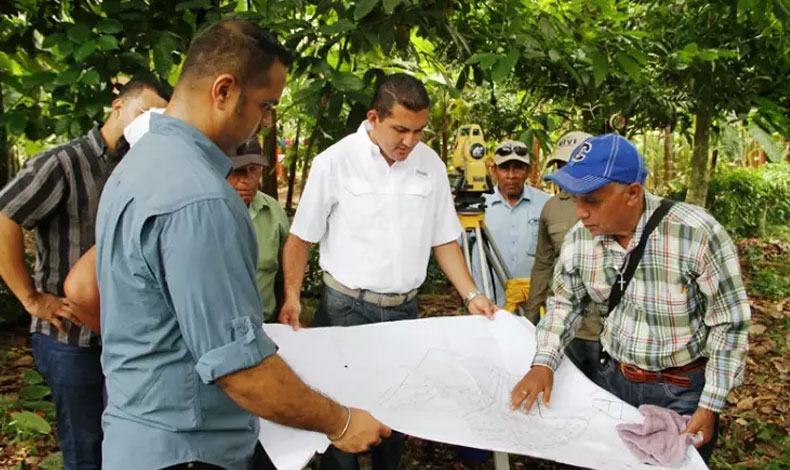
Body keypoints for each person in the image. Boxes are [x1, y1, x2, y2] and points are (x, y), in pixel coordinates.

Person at [94, 19, 389, 470]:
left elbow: (82, 288)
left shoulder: (137, 168)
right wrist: (342, 422)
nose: (265, 121)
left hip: (136, 438)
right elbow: (241, 370)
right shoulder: (202, 198)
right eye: (265, 105)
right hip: (191, 452)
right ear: (223, 90)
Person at [279, 72, 497, 470]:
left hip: (402, 313)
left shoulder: (428, 164)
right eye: (400, 129)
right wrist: (293, 296)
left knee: (393, 423)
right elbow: (300, 240)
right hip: (345, 310)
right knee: (341, 424)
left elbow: (444, 240)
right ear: (373, 118)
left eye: (418, 131)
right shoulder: (335, 162)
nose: (409, 142)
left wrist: (472, 295)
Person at [510, 134, 750, 463]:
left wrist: (710, 404)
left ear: (632, 193)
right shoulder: (580, 241)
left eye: (592, 201)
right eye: (574, 198)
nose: (580, 213)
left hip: (681, 390)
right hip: (614, 381)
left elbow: (729, 323)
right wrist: (543, 363)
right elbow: (565, 305)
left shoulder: (695, 234)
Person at [0, 80, 167, 470]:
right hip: (71, 337)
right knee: (85, 444)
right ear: (117, 107)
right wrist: (30, 298)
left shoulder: (144, 166)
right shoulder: (61, 163)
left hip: (126, 338)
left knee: (125, 441)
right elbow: (6, 215)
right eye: (146, 113)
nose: (151, 125)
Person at [523, 131, 605, 380]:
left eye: (570, 164)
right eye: (560, 165)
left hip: (609, 332)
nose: (564, 172)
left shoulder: (612, 203)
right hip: (568, 329)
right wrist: (530, 314)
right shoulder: (552, 207)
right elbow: (543, 263)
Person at [472, 140, 550, 307]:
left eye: (518, 168)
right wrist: (471, 294)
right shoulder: (476, 205)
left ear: (529, 171)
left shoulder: (545, 204)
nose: (511, 175)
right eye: (504, 168)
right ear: (494, 170)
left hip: (534, 305)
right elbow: (455, 248)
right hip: (487, 304)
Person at [227, 138, 289, 322]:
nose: (245, 180)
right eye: (237, 171)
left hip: (264, 323)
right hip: (216, 330)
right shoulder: (202, 212)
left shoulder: (274, 212)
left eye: (253, 170)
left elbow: (282, 276)